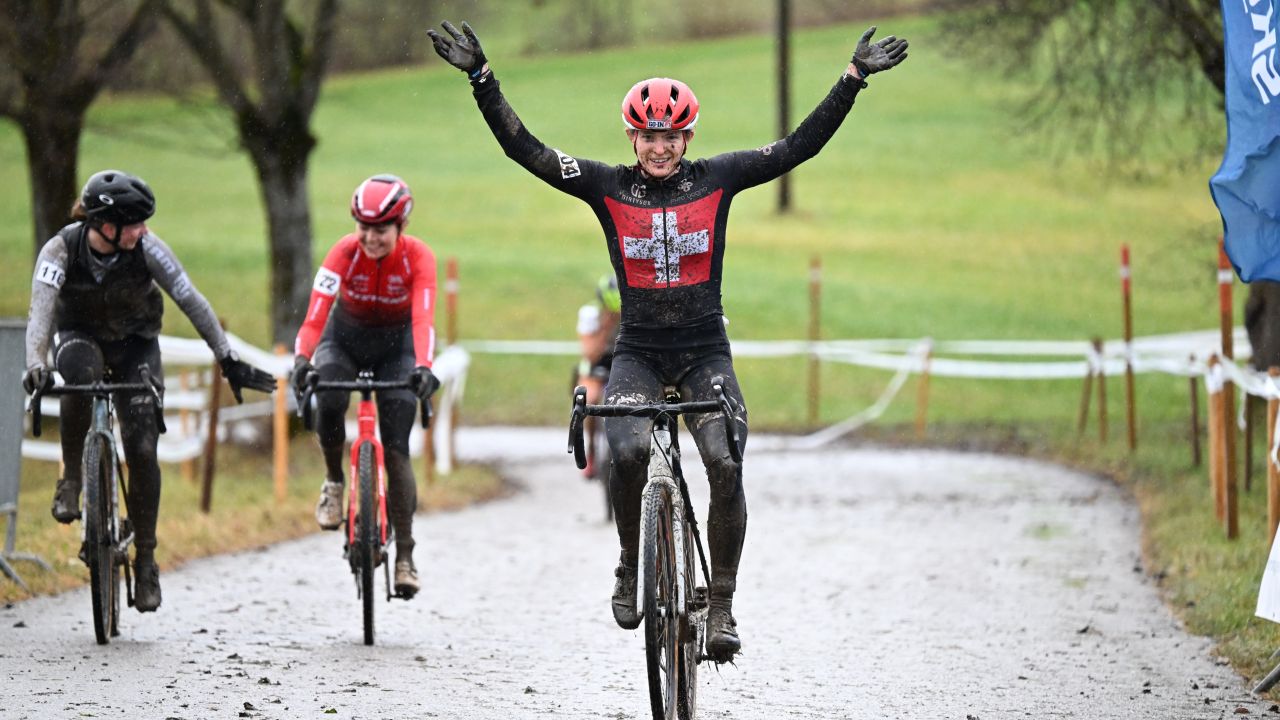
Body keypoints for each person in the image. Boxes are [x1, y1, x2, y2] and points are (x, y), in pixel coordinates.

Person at [428, 21, 907, 660]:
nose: (660, 147)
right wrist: (482, 79)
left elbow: (797, 148)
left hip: (705, 349)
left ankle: (723, 603)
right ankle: (631, 558)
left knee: (726, 463)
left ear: (687, 137)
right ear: (634, 136)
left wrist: (852, 80)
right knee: (625, 452)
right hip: (639, 353)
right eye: (650, 135)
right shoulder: (607, 186)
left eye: (671, 135)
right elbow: (530, 152)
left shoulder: (720, 177)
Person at [23, 169, 276, 612]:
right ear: (105, 224)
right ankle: (70, 480)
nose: (142, 231)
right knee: (78, 378)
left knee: (141, 445)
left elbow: (190, 298)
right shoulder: (60, 249)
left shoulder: (147, 248)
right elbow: (40, 313)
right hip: (79, 336)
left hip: (135, 343)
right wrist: (35, 364)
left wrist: (226, 357)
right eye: (134, 223)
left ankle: (146, 559)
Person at [290, 174, 440, 599]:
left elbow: (424, 319)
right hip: (346, 341)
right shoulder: (342, 252)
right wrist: (302, 357)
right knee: (330, 395)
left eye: (381, 231)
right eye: (364, 229)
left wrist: (424, 366)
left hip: (399, 348)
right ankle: (335, 481)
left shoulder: (418, 258)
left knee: (396, 444)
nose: (371, 239)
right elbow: (316, 315)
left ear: (400, 227)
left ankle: (406, 555)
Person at [576, 275, 621, 477]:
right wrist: (606, 325)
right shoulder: (590, 314)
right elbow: (590, 354)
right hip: (597, 362)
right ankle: (591, 451)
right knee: (591, 400)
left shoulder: (633, 315)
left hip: (622, 360)